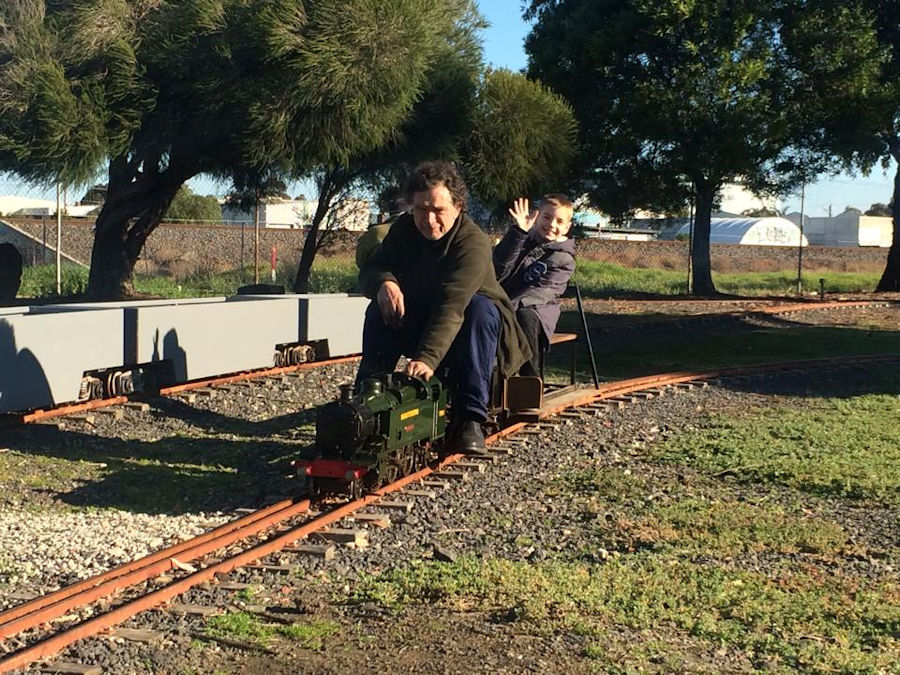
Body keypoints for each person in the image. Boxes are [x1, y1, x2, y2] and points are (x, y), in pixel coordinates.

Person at [357, 161, 531, 452]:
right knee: (378, 308)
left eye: (438, 210)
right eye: (421, 209)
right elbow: (371, 269)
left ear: (458, 207)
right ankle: (368, 399)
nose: (429, 219)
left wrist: (426, 359)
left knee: (479, 309)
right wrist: (384, 283)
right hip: (423, 319)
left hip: (472, 330)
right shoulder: (403, 231)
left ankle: (471, 417)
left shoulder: (472, 242)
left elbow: (452, 305)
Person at [493, 194, 576, 376]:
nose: (552, 225)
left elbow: (542, 291)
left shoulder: (564, 259)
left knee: (525, 317)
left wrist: (507, 307)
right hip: (501, 303)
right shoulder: (520, 239)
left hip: (538, 310)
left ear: (567, 227)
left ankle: (529, 378)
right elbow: (498, 268)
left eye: (559, 221)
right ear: (537, 216)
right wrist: (518, 233)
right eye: (547, 217)